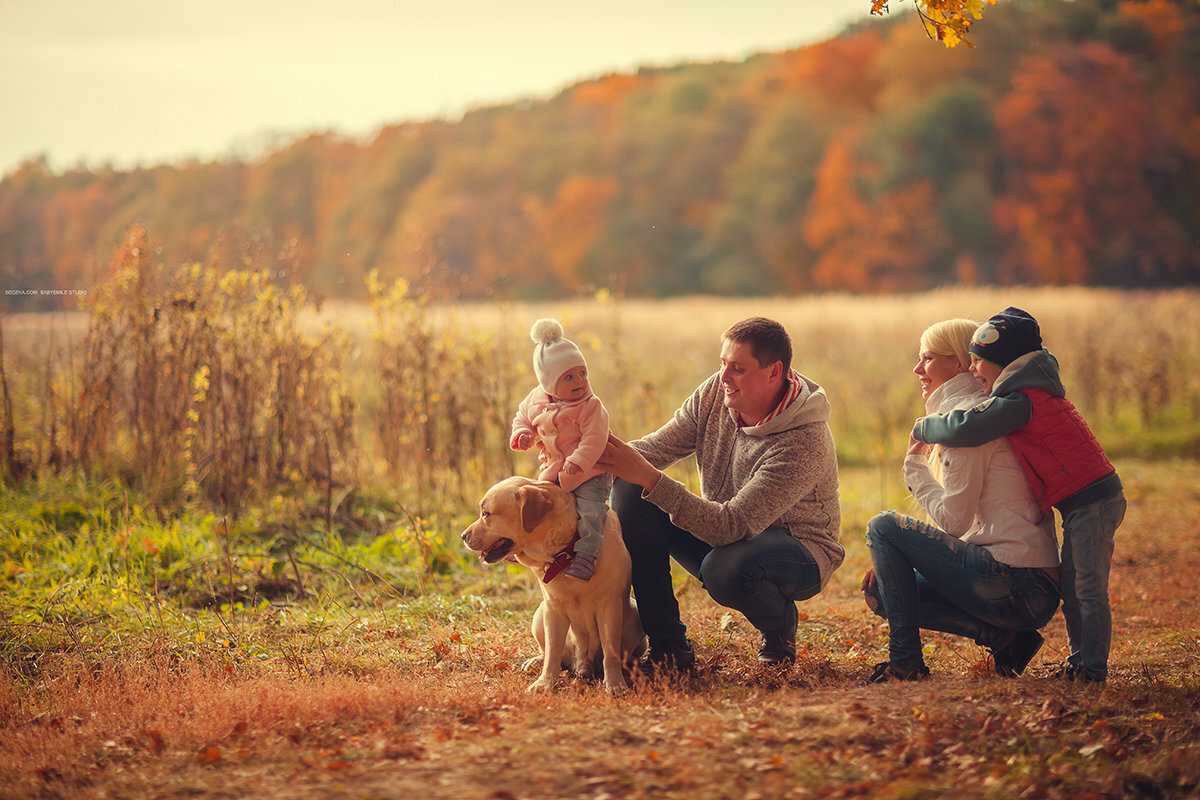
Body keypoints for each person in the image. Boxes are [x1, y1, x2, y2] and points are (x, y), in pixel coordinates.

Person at [598, 317, 843, 668]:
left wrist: (651, 479)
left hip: (798, 551)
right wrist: (583, 460)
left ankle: (779, 627)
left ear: (774, 372)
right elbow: (655, 449)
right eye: (723, 364)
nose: (724, 378)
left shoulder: (804, 441)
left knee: (725, 569)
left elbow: (731, 525)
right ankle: (669, 650)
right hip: (727, 530)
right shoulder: (717, 390)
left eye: (738, 369)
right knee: (629, 492)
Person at [912, 307, 1126, 683]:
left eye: (979, 362)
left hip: (1092, 500)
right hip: (1083, 500)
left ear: (1003, 363)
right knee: (1077, 585)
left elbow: (968, 427)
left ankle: (1090, 669)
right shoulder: (1026, 391)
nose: (974, 370)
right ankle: (1083, 664)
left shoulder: (1021, 400)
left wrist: (925, 428)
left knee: (1085, 586)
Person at [863, 318, 1062, 682]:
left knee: (883, 526)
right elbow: (967, 525)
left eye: (926, 358)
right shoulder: (981, 414)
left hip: (1018, 582)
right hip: (1027, 586)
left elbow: (954, 522)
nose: (917, 368)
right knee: (881, 591)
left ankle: (905, 663)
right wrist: (897, 563)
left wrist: (915, 467)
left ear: (956, 363)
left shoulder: (966, 421)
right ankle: (1006, 639)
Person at [510, 319, 611, 581]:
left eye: (582, 373)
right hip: (552, 470)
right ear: (548, 383)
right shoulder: (536, 399)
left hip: (590, 472)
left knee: (590, 512)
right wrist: (522, 433)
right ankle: (523, 544)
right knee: (539, 506)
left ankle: (587, 555)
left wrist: (579, 460)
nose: (579, 381)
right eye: (568, 377)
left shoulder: (590, 406)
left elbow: (595, 438)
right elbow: (522, 417)